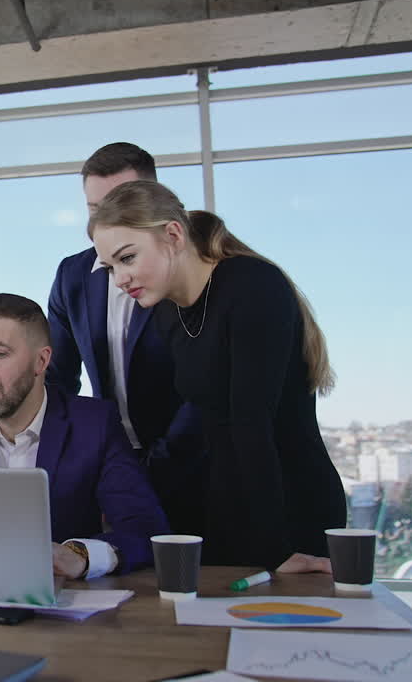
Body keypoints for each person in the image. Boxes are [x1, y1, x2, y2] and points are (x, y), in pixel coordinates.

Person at [88, 179, 346, 573]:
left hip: (290, 506)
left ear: (172, 235)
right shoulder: (165, 312)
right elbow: (203, 426)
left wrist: (274, 548)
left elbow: (251, 422)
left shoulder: (252, 285)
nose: (119, 280)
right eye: (110, 268)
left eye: (127, 258)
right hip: (228, 508)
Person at [0, 294, 169, 579]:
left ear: (41, 360)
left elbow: (146, 529)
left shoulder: (94, 425)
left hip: (64, 606)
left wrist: (80, 556)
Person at [47, 142, 201, 533]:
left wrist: (155, 468)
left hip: (195, 462)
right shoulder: (72, 277)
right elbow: (57, 380)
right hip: (111, 465)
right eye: (95, 211)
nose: (106, 222)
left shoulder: (187, 271)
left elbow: (203, 392)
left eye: (120, 202)